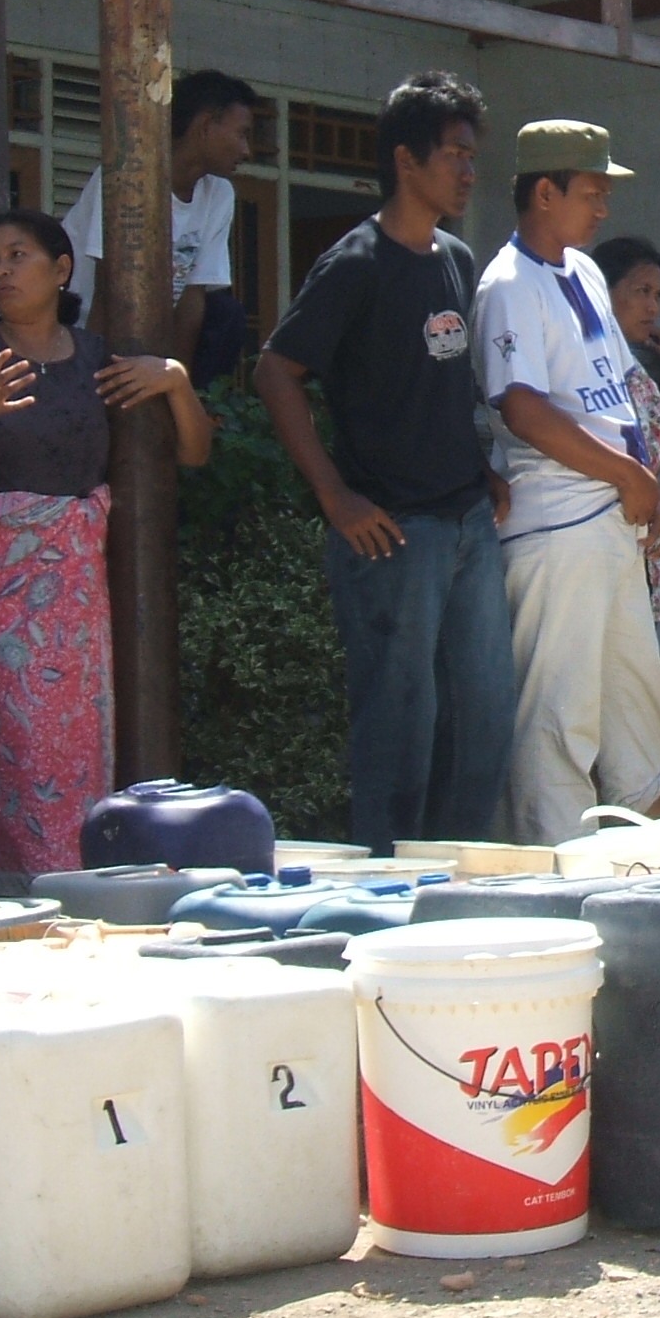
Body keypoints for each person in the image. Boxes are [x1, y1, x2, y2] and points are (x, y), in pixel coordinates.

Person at [0, 210, 214, 888]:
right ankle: (35, 897)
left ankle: (74, 894)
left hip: (73, 599)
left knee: (76, 749)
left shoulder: (95, 361)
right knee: (16, 745)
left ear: (62, 269)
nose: (1, 271)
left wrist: (174, 378)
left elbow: (194, 452)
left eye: (17, 255)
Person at [255, 71, 516, 857]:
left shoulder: (457, 258)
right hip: (393, 531)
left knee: (483, 714)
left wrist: (482, 468)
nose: (469, 172)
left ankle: (461, 877)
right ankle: (389, 888)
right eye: (455, 155)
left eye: (472, 156)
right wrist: (334, 496)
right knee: (401, 723)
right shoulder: (356, 262)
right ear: (406, 160)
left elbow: (442, 381)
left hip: (467, 520)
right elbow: (276, 371)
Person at [474, 121, 660, 844]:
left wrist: (647, 488)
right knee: (556, 722)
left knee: (639, 718)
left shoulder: (586, 272)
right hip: (555, 526)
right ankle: (552, 882)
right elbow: (522, 408)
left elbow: (621, 392)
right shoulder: (507, 283)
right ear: (544, 192)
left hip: (616, 519)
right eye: (591, 193)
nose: (602, 208)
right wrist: (628, 474)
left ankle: (657, 875)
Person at [60, 69, 259, 381]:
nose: (246, 151)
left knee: (225, 313)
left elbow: (194, 297)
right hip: (80, 330)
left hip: (153, 330)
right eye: (242, 134)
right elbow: (107, 287)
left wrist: (176, 383)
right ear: (206, 126)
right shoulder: (124, 176)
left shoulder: (218, 194)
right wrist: (95, 382)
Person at [594, 234, 660, 623]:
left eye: (658, 295)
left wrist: (651, 488)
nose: (652, 307)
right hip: (584, 538)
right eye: (641, 291)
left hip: (634, 535)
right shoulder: (576, 361)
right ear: (602, 292)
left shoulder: (636, 369)